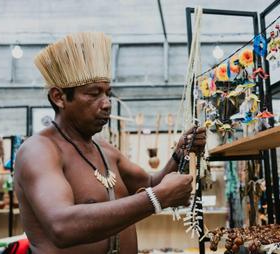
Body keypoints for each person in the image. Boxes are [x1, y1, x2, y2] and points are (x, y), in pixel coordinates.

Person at [13, 32, 206, 254]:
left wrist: (179, 154)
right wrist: (156, 199)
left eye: (108, 93)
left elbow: (152, 184)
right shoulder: (39, 151)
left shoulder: (103, 149)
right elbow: (61, 225)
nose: (106, 104)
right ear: (59, 97)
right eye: (94, 94)